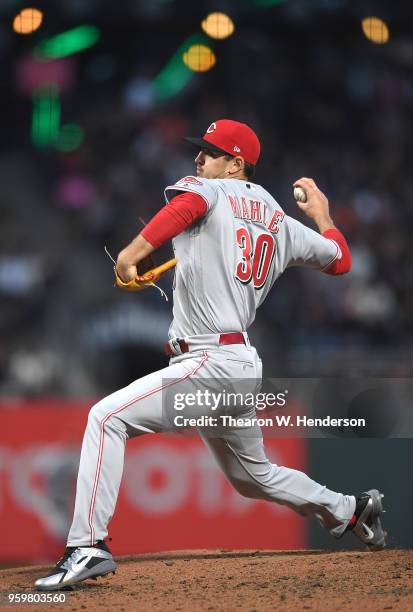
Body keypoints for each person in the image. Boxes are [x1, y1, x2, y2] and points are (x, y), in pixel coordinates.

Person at [35, 119, 386, 591]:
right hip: (238, 364)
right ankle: (351, 508)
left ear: (236, 163)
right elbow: (340, 260)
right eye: (200, 151)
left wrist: (131, 253)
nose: (199, 159)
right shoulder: (281, 221)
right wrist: (323, 215)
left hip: (209, 362)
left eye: (211, 151)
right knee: (252, 477)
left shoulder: (211, 191)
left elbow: (188, 204)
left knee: (105, 418)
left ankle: (86, 546)